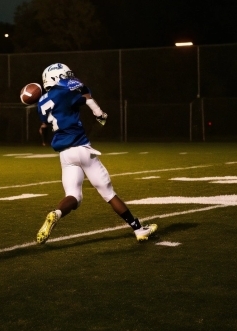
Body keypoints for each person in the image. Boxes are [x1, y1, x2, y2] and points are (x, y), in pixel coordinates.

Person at [35, 62, 157, 244]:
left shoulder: (42, 102)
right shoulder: (65, 93)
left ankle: (56, 213)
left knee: (73, 196)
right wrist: (100, 115)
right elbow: (85, 96)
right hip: (82, 149)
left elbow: (47, 118)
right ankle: (139, 230)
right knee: (108, 193)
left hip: (65, 155)